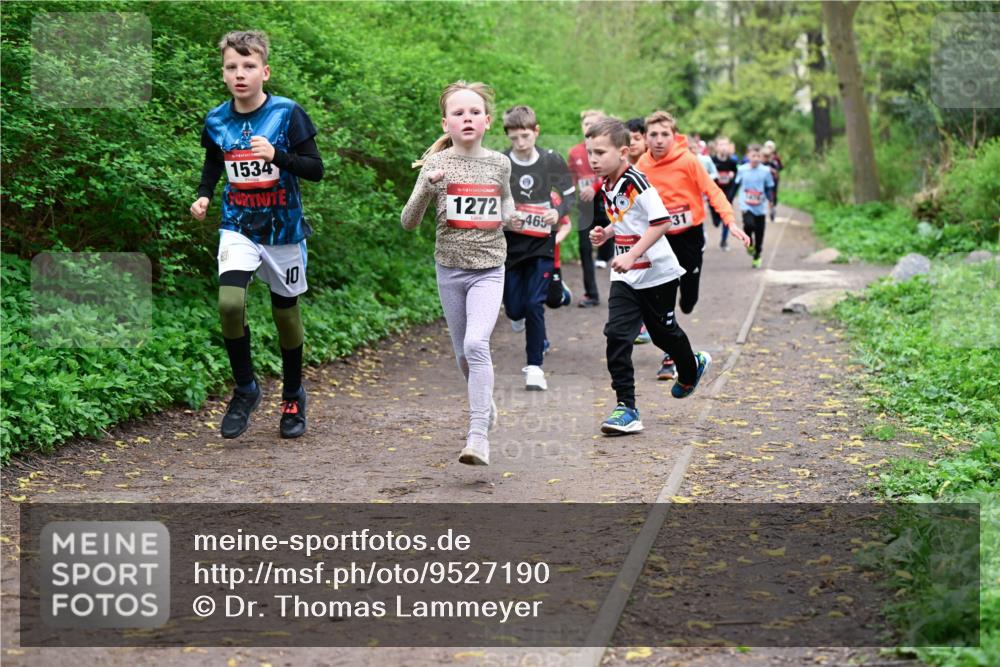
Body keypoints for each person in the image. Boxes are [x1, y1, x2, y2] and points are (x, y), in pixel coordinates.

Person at [191, 30, 324, 440]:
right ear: (224, 74)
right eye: (232, 67)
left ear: (265, 71)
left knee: (286, 315)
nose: (240, 74)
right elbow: (215, 163)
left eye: (248, 66)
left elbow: (316, 169)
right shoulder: (216, 120)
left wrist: (278, 157)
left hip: (283, 231)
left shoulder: (287, 113)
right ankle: (246, 388)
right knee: (230, 304)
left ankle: (292, 394)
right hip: (239, 227)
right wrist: (203, 195)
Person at [400, 81, 522, 466]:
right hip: (450, 270)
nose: (466, 118)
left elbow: (506, 206)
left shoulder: (500, 163)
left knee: (475, 344)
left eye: (474, 112)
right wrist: (425, 186)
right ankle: (485, 405)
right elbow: (408, 222)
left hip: (489, 269)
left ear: (487, 121)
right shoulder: (437, 165)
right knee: (462, 356)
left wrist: (523, 218)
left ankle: (477, 435)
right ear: (445, 123)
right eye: (458, 113)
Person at [585, 117, 712, 435]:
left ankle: (690, 367)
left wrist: (630, 253)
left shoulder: (637, 182)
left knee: (663, 334)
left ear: (623, 152)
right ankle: (626, 408)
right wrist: (608, 232)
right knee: (617, 334)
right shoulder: (607, 184)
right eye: (590, 153)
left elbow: (660, 221)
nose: (594, 160)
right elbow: (627, 218)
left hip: (657, 274)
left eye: (600, 152)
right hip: (626, 276)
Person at [636, 111, 750, 380]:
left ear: (674, 137)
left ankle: (686, 301)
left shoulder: (688, 161)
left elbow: (713, 191)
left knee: (687, 299)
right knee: (664, 294)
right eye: (653, 135)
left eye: (665, 134)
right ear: (645, 138)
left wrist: (730, 222)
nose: (659, 140)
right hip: (659, 237)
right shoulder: (641, 165)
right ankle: (670, 357)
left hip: (689, 236)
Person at [501, 105, 575, 390]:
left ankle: (535, 369)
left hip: (541, 244)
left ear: (536, 131)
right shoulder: (501, 162)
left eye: (525, 136)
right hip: (510, 246)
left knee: (534, 305)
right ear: (507, 136)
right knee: (514, 309)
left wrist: (557, 214)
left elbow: (569, 197)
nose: (520, 144)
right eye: (514, 138)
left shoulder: (551, 160)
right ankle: (519, 317)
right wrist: (505, 215)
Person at [566, 110, 605, 306]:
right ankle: (592, 294)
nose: (588, 126)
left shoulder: (609, 148)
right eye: (586, 123)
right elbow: (572, 179)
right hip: (585, 205)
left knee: (625, 243)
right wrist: (568, 200)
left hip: (608, 202)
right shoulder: (575, 152)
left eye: (593, 123)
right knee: (584, 248)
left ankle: (629, 294)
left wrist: (595, 186)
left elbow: (614, 171)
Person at [736, 143, 775, 269]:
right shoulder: (742, 169)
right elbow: (735, 186)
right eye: (753, 156)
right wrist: (728, 198)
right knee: (749, 224)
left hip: (760, 206)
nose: (756, 158)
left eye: (758, 156)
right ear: (748, 156)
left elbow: (769, 187)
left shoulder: (765, 171)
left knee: (760, 234)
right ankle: (750, 243)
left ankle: (757, 255)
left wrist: (771, 200)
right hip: (746, 204)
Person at [711, 136, 739, 250]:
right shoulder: (712, 161)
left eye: (725, 144)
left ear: (729, 147)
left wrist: (733, 176)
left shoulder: (732, 162)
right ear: (716, 147)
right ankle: (716, 219)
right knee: (716, 222)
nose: (723, 147)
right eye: (721, 144)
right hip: (713, 194)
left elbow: (737, 180)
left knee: (727, 217)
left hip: (728, 194)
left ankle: (723, 241)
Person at [762, 140, 783, 222]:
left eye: (771, 147)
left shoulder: (776, 157)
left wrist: (774, 170)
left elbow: (780, 167)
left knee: (773, 194)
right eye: (768, 147)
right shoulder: (762, 156)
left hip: (774, 179)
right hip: (764, 180)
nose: (769, 149)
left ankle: (772, 208)